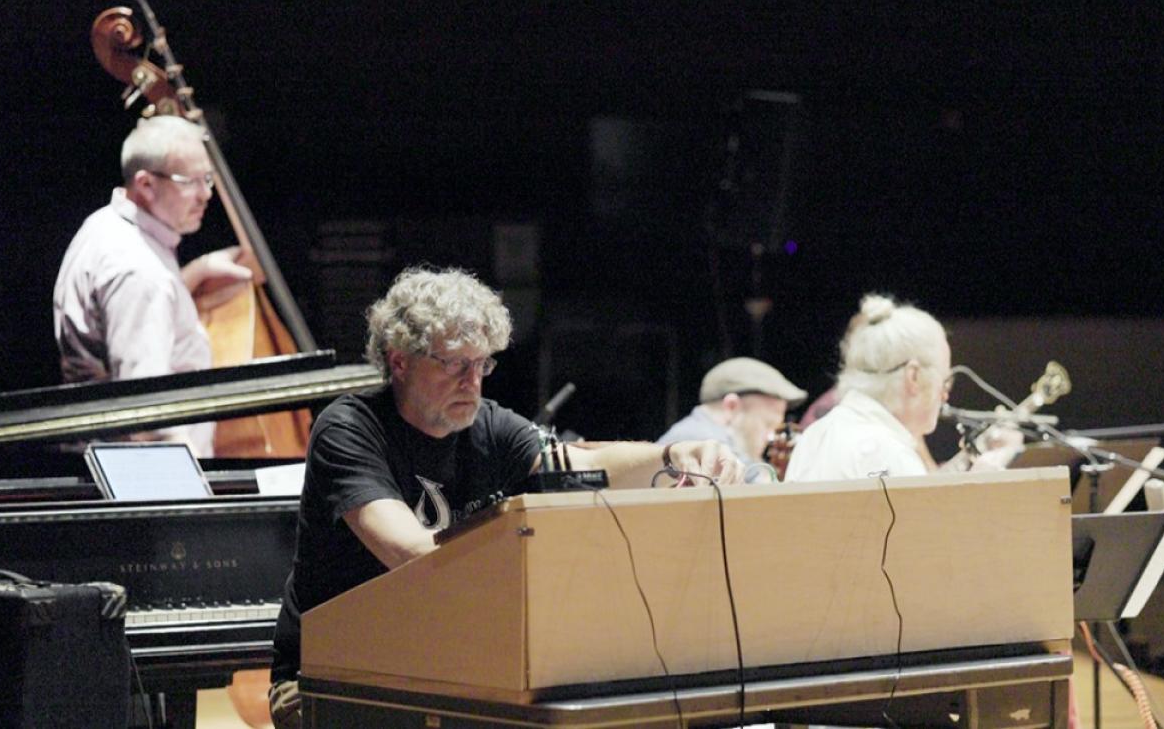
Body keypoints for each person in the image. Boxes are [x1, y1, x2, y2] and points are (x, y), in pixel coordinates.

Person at [268, 266, 743, 729]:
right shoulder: (349, 429)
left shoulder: (489, 425)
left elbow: (576, 462)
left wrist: (671, 454)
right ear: (400, 360)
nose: (472, 382)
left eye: (482, 364)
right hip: (328, 678)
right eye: (454, 363)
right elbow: (411, 556)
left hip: (448, 672)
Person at [52, 115, 251, 457]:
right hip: (143, 482)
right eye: (189, 182)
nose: (205, 195)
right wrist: (196, 501)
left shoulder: (105, 226)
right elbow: (150, 418)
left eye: (207, 179)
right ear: (145, 185)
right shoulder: (139, 271)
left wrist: (198, 271)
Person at [785, 293, 1018, 481]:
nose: (945, 395)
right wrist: (978, 491)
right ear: (913, 376)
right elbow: (929, 539)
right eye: (944, 381)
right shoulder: (885, 451)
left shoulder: (816, 435)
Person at [657, 357, 807, 471]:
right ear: (731, 407)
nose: (770, 437)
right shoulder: (696, 439)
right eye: (767, 424)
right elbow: (760, 490)